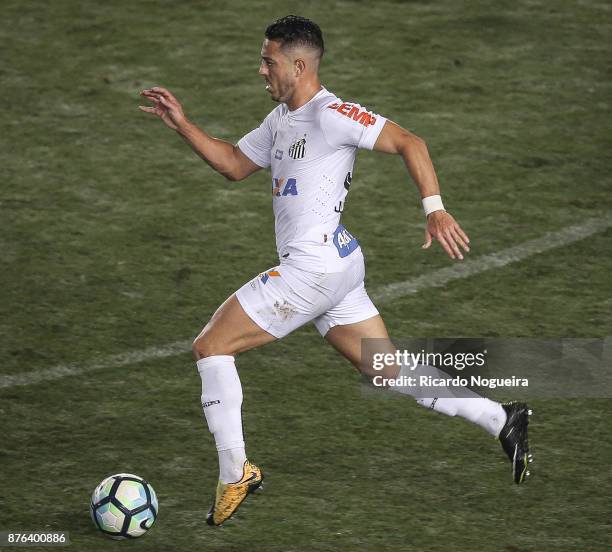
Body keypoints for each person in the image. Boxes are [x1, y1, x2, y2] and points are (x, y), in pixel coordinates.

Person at [139, 15, 532, 527]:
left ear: (299, 65)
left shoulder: (332, 115)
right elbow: (234, 164)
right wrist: (183, 124)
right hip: (338, 266)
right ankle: (501, 419)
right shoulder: (280, 120)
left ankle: (235, 472)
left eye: (269, 60)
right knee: (387, 370)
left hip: (314, 270)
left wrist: (434, 207)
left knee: (210, 347)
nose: (261, 70)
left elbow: (410, 142)